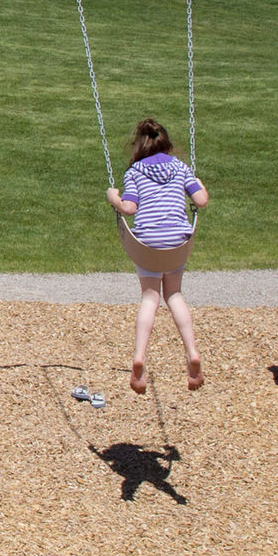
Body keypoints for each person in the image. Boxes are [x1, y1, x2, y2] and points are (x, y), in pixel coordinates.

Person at [107, 116, 209, 394]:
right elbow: (200, 201)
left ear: (139, 147)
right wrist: (198, 183)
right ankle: (192, 354)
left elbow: (129, 208)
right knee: (174, 294)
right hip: (178, 241)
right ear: (167, 146)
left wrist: (113, 197)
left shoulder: (135, 172)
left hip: (148, 244)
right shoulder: (180, 167)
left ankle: (139, 358)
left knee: (150, 297)